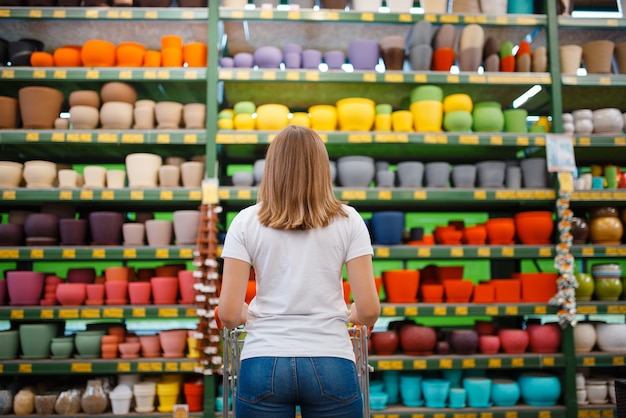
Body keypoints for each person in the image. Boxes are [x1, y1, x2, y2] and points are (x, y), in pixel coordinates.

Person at [218, 125, 380, 418]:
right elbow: (369, 311)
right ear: (321, 168)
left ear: (272, 168)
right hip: (331, 360)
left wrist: (251, 314)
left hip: (263, 361)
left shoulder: (244, 222)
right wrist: (346, 313)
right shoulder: (350, 220)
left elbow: (228, 314)